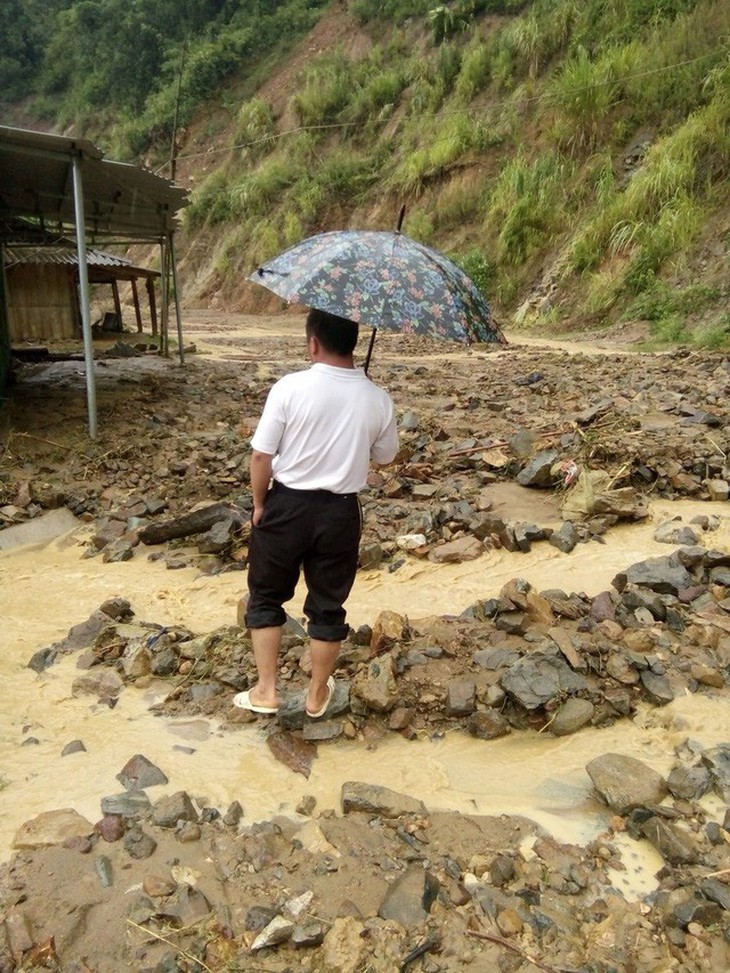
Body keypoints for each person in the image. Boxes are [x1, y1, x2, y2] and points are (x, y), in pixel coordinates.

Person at [234, 307, 399, 719]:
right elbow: (386, 457)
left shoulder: (289, 388)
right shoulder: (377, 398)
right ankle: (316, 696)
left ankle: (267, 691)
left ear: (313, 343)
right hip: (340, 513)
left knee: (267, 595)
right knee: (327, 604)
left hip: (286, 505)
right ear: (354, 344)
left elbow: (260, 455)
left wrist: (259, 504)